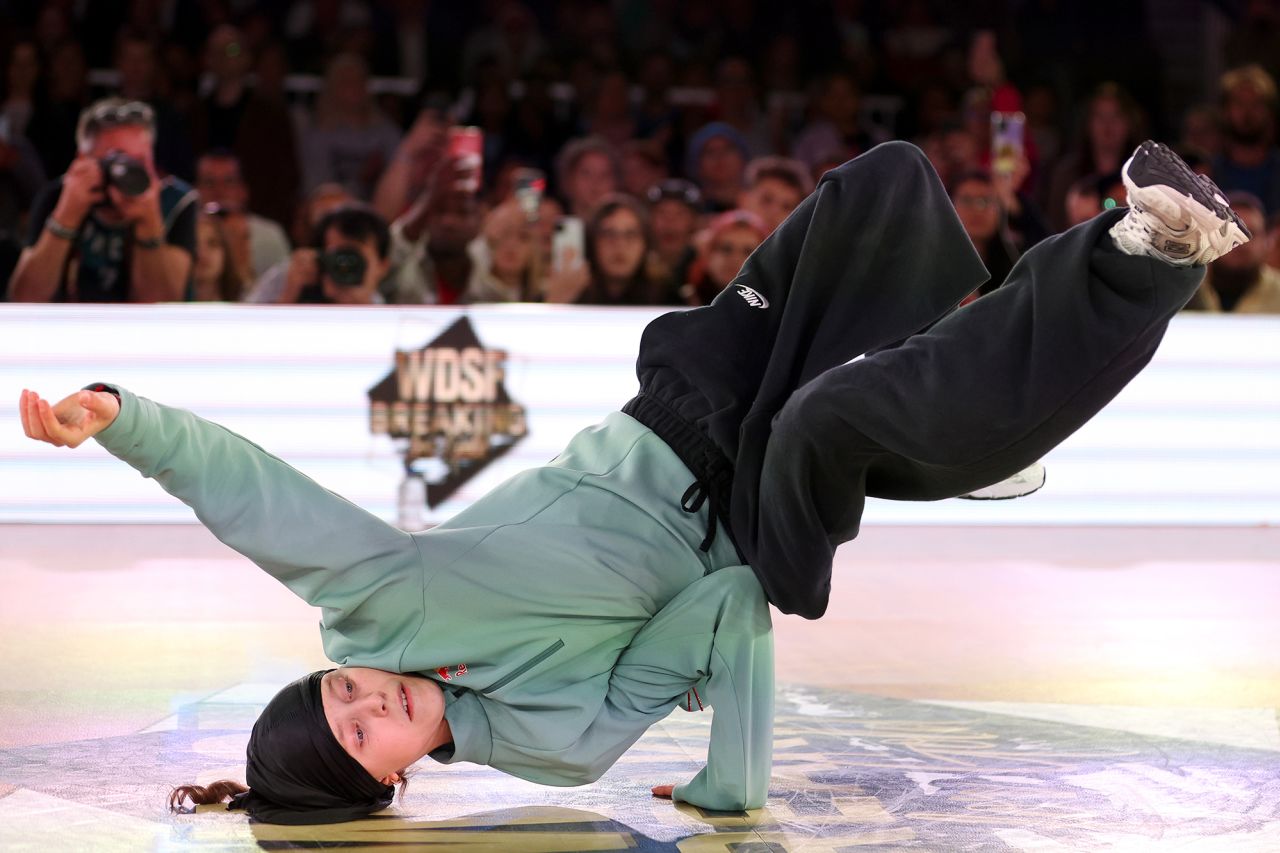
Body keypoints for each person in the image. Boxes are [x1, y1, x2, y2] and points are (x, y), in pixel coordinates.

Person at [18, 140, 1249, 825]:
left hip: (678, 408)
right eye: (356, 734)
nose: (364, 698)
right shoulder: (553, 744)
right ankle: (1140, 252)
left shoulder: (371, 606)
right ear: (383, 782)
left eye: (336, 691)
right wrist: (732, 777)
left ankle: (946, 431)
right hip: (751, 509)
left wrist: (120, 417)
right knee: (832, 417)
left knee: (878, 190)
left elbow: (252, 494)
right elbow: (723, 618)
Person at [7, 98, 196, 303]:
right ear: (83, 159)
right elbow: (25, 300)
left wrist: (149, 223)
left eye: (140, 161)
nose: (131, 173)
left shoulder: (176, 202)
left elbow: (162, 306)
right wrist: (66, 215)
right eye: (119, 160)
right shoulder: (57, 196)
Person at [195, 150, 291, 281]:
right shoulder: (184, 233)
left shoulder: (269, 234)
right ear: (196, 190)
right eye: (209, 182)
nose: (219, 190)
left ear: (243, 190)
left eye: (229, 181)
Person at [277, 204, 391, 305]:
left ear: (382, 267)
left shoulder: (384, 316)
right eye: (339, 255)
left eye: (353, 258)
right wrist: (289, 296)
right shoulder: (289, 276)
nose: (344, 265)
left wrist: (363, 309)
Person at [1186, 192, 1280, 313]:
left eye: (1251, 233)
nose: (1241, 242)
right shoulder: (1182, 288)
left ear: (1265, 241)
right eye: (1230, 231)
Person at [680, 209, 768, 306]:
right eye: (726, 249)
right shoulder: (679, 300)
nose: (735, 259)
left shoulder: (777, 309)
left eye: (748, 252)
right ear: (708, 254)